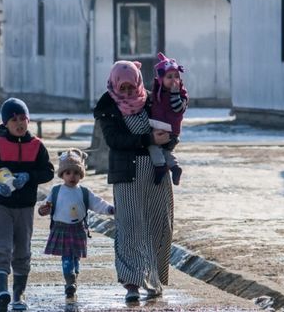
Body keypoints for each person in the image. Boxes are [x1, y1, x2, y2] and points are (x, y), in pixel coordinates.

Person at [93, 60, 173, 303]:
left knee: (160, 225)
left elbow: (170, 132)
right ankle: (132, 283)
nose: (127, 92)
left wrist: (168, 139)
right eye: (123, 87)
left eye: (131, 87)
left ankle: (154, 278)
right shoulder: (107, 106)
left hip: (157, 173)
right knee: (130, 227)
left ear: (139, 82)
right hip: (127, 174)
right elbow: (115, 140)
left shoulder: (153, 101)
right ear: (115, 85)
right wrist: (149, 139)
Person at [0, 98, 54, 312]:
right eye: (14, 120)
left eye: (23, 118)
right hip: (1, 205)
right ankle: (1, 292)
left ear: (28, 119)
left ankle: (18, 295)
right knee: (2, 248)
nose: (19, 123)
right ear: (5, 124)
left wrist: (29, 176)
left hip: (25, 207)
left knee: (22, 251)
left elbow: (48, 171)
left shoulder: (37, 146)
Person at [37, 148, 114, 304]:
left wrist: (109, 209)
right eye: (68, 173)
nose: (72, 176)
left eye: (76, 173)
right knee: (67, 258)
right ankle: (69, 281)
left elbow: (98, 203)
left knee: (76, 259)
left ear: (81, 175)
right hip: (61, 228)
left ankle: (74, 277)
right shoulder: (57, 190)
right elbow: (47, 206)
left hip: (78, 229)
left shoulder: (84, 192)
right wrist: (43, 209)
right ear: (62, 175)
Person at [149, 52, 188, 185]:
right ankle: (175, 168)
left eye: (176, 76)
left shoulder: (181, 94)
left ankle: (160, 167)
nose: (174, 80)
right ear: (161, 79)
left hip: (171, 132)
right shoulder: (158, 92)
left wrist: (175, 93)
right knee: (165, 152)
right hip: (160, 127)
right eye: (169, 76)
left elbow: (178, 108)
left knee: (153, 146)